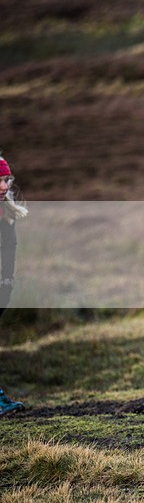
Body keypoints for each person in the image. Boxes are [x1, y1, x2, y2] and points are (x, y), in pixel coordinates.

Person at [0, 152, 28, 416]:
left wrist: (7, 284)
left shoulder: (6, 212)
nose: (4, 186)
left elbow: (10, 249)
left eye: (7, 180)